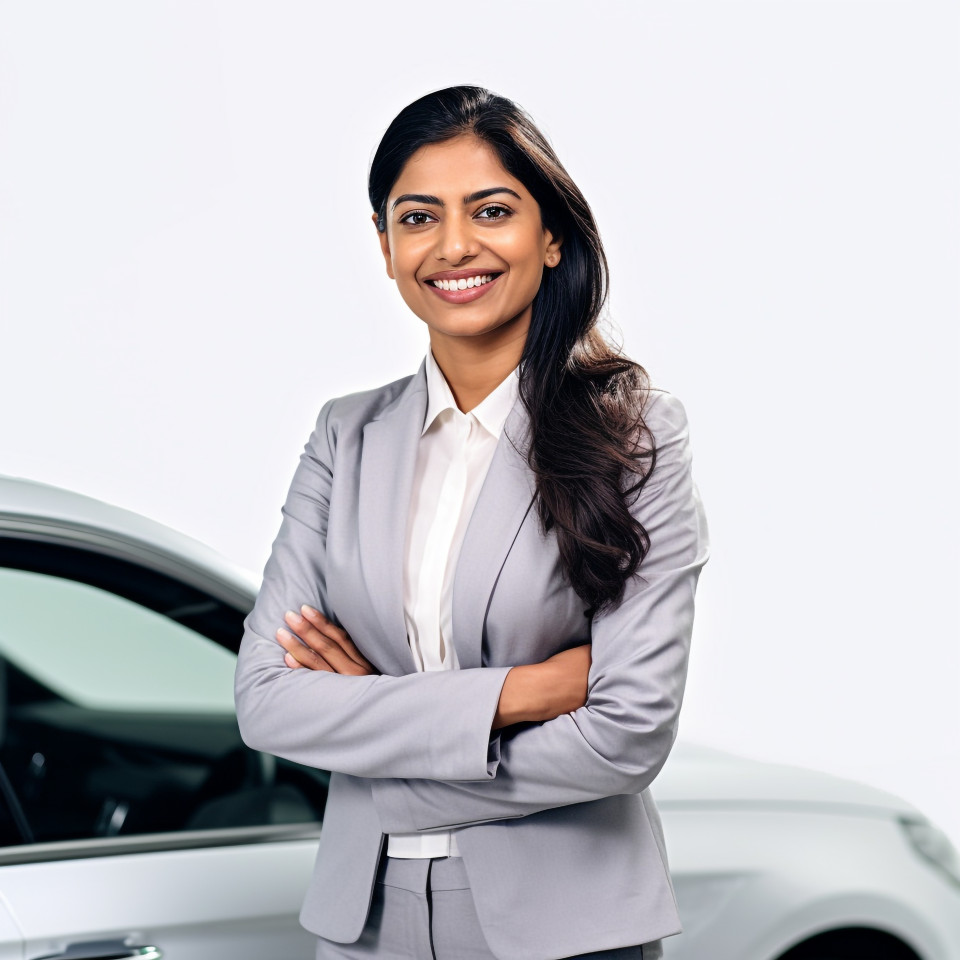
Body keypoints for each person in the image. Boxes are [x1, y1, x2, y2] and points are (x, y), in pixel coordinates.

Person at [234, 85, 709, 960]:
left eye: (492, 210)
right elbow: (267, 703)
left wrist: (375, 756)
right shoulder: (346, 436)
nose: (454, 246)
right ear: (384, 247)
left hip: (565, 929)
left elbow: (627, 733)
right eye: (418, 217)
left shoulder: (634, 435)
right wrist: (519, 694)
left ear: (550, 235)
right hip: (366, 923)